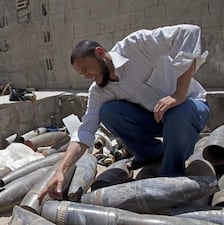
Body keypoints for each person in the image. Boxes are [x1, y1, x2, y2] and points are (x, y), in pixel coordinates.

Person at [39, 24, 210, 202]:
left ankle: (172, 178)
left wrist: (179, 94)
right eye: (81, 73)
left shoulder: (136, 46)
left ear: (99, 53)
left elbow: (190, 32)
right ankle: (152, 154)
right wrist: (61, 171)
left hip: (190, 108)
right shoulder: (98, 91)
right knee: (109, 112)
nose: (86, 76)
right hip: (158, 118)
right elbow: (85, 131)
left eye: (86, 68)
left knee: (179, 111)